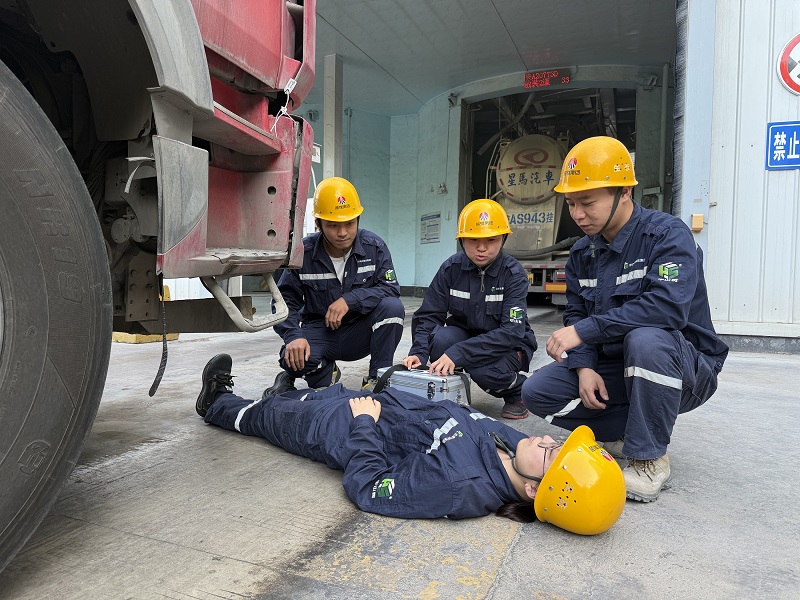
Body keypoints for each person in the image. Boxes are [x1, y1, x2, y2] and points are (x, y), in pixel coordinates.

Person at [195, 354, 626, 535]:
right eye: (556, 441)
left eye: (552, 451)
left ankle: (216, 404)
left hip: (346, 428)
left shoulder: (455, 485)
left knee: (267, 418)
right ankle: (281, 399)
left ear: (534, 490)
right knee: (303, 399)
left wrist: (364, 424)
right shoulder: (515, 452)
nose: (545, 438)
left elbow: (369, 488)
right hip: (375, 404)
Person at [520, 136, 729, 502]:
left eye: (587, 202)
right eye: (571, 203)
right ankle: (623, 436)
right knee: (537, 391)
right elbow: (577, 311)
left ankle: (648, 459)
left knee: (646, 338)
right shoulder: (582, 253)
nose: (578, 215)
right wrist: (584, 366)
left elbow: (667, 308)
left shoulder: (667, 235)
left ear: (625, 192)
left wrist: (584, 332)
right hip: (617, 363)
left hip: (684, 369)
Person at [264, 176, 405, 396]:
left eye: (350, 223)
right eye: (333, 225)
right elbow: (284, 300)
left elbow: (390, 289)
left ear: (358, 219)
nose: (343, 233)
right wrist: (293, 335)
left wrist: (350, 300)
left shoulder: (374, 247)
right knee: (292, 359)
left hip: (360, 331)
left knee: (393, 308)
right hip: (320, 330)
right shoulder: (303, 254)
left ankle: (378, 378)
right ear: (318, 224)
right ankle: (324, 372)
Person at [402, 199, 537, 420]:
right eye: (473, 240)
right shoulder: (451, 268)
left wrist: (460, 353)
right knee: (440, 341)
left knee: (483, 370)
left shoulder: (513, 274)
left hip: (507, 345)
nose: (482, 248)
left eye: (491, 240)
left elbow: (511, 332)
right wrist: (418, 352)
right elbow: (429, 315)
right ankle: (454, 394)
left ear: (503, 239)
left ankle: (517, 391)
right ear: (462, 239)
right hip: (465, 335)